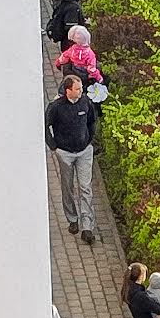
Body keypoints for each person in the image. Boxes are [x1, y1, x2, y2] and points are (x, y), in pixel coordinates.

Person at [46, 75, 99, 244]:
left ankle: (87, 227)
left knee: (85, 187)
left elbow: (92, 121)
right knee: (67, 187)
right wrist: (54, 146)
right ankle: (72, 219)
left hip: (84, 152)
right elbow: (46, 125)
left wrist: (89, 140)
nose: (81, 91)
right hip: (65, 153)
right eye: (77, 88)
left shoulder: (85, 103)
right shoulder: (56, 107)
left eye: (81, 88)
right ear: (68, 90)